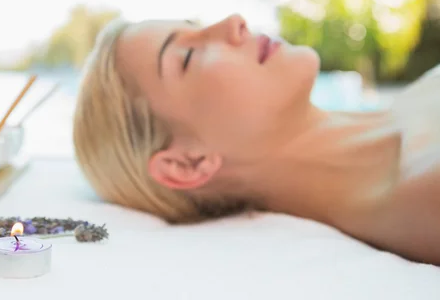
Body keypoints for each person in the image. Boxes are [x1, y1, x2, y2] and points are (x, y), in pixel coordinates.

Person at [73, 14, 440, 266]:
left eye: (198, 26)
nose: (234, 22)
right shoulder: (425, 190)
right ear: (187, 164)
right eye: (187, 56)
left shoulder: (408, 113)